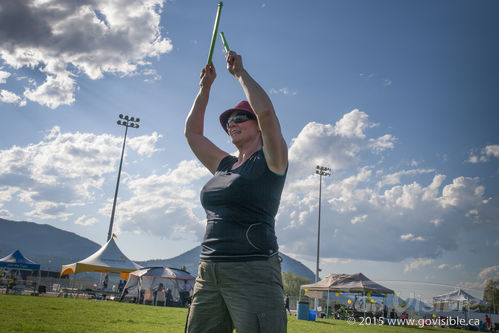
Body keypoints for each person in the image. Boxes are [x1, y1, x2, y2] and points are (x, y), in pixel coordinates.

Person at [184, 50, 288, 333]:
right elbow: (192, 134)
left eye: (242, 117)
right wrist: (204, 89)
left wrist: (239, 73)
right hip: (209, 271)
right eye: (229, 121)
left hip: (252, 271)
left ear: (258, 126)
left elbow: (267, 112)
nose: (233, 122)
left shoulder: (271, 159)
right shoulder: (225, 164)